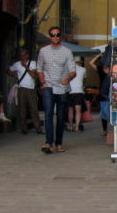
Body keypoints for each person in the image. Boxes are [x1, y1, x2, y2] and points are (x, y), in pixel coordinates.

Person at [37, 26, 75, 154]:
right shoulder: (43, 51)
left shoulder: (67, 52)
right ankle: (48, 142)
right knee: (48, 114)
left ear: (60, 36)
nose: (55, 37)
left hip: (62, 87)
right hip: (48, 85)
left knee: (60, 116)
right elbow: (39, 68)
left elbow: (73, 71)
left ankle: (58, 143)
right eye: (53, 35)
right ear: (49, 36)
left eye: (57, 34)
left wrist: (68, 78)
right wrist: (42, 82)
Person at [7, 48, 42, 134]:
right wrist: (15, 76)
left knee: (34, 108)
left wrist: (26, 67)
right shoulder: (17, 64)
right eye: (21, 56)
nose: (22, 57)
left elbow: (34, 76)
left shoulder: (33, 63)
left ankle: (38, 128)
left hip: (31, 89)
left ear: (27, 55)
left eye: (24, 55)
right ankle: (24, 128)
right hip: (21, 89)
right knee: (22, 109)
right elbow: (8, 71)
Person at [90, 45, 112, 136]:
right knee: (107, 111)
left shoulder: (100, 69)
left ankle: (105, 130)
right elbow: (91, 63)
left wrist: (98, 56)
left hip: (103, 92)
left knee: (103, 112)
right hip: (105, 92)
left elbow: (91, 63)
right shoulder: (107, 69)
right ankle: (108, 130)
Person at [67, 57, 86, 132]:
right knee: (78, 111)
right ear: (80, 62)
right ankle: (77, 127)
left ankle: (70, 126)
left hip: (70, 91)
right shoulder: (83, 69)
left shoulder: (68, 69)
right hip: (79, 92)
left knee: (70, 110)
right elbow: (84, 80)